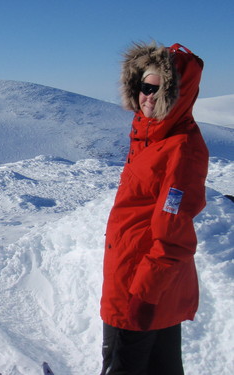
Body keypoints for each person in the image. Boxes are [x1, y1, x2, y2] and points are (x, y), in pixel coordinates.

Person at [99, 41, 209, 374]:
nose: (148, 95)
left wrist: (144, 296)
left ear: (176, 95)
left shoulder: (180, 148)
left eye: (158, 90)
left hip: (140, 288)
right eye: (144, 86)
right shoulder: (150, 137)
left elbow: (173, 235)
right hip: (142, 283)